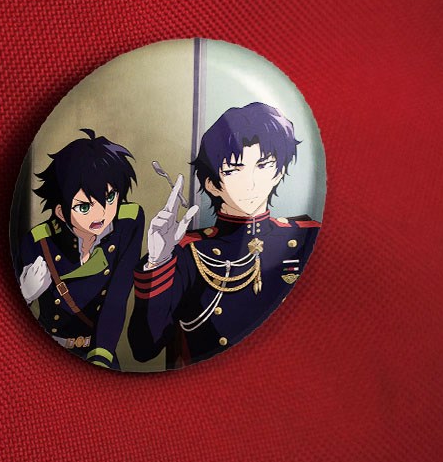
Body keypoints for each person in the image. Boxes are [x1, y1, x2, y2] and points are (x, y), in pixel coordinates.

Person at [128, 103, 320, 368]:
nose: (251, 182)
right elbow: (143, 348)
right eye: (234, 170)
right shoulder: (188, 253)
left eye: (264, 165)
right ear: (212, 184)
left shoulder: (307, 236)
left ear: (280, 172)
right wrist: (158, 261)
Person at [16, 129, 144, 369]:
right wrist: (26, 295)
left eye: (110, 198)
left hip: (100, 351)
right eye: (84, 207)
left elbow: (117, 296)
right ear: (61, 211)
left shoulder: (128, 222)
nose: (101, 214)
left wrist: (101, 357)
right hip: (49, 357)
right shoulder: (39, 242)